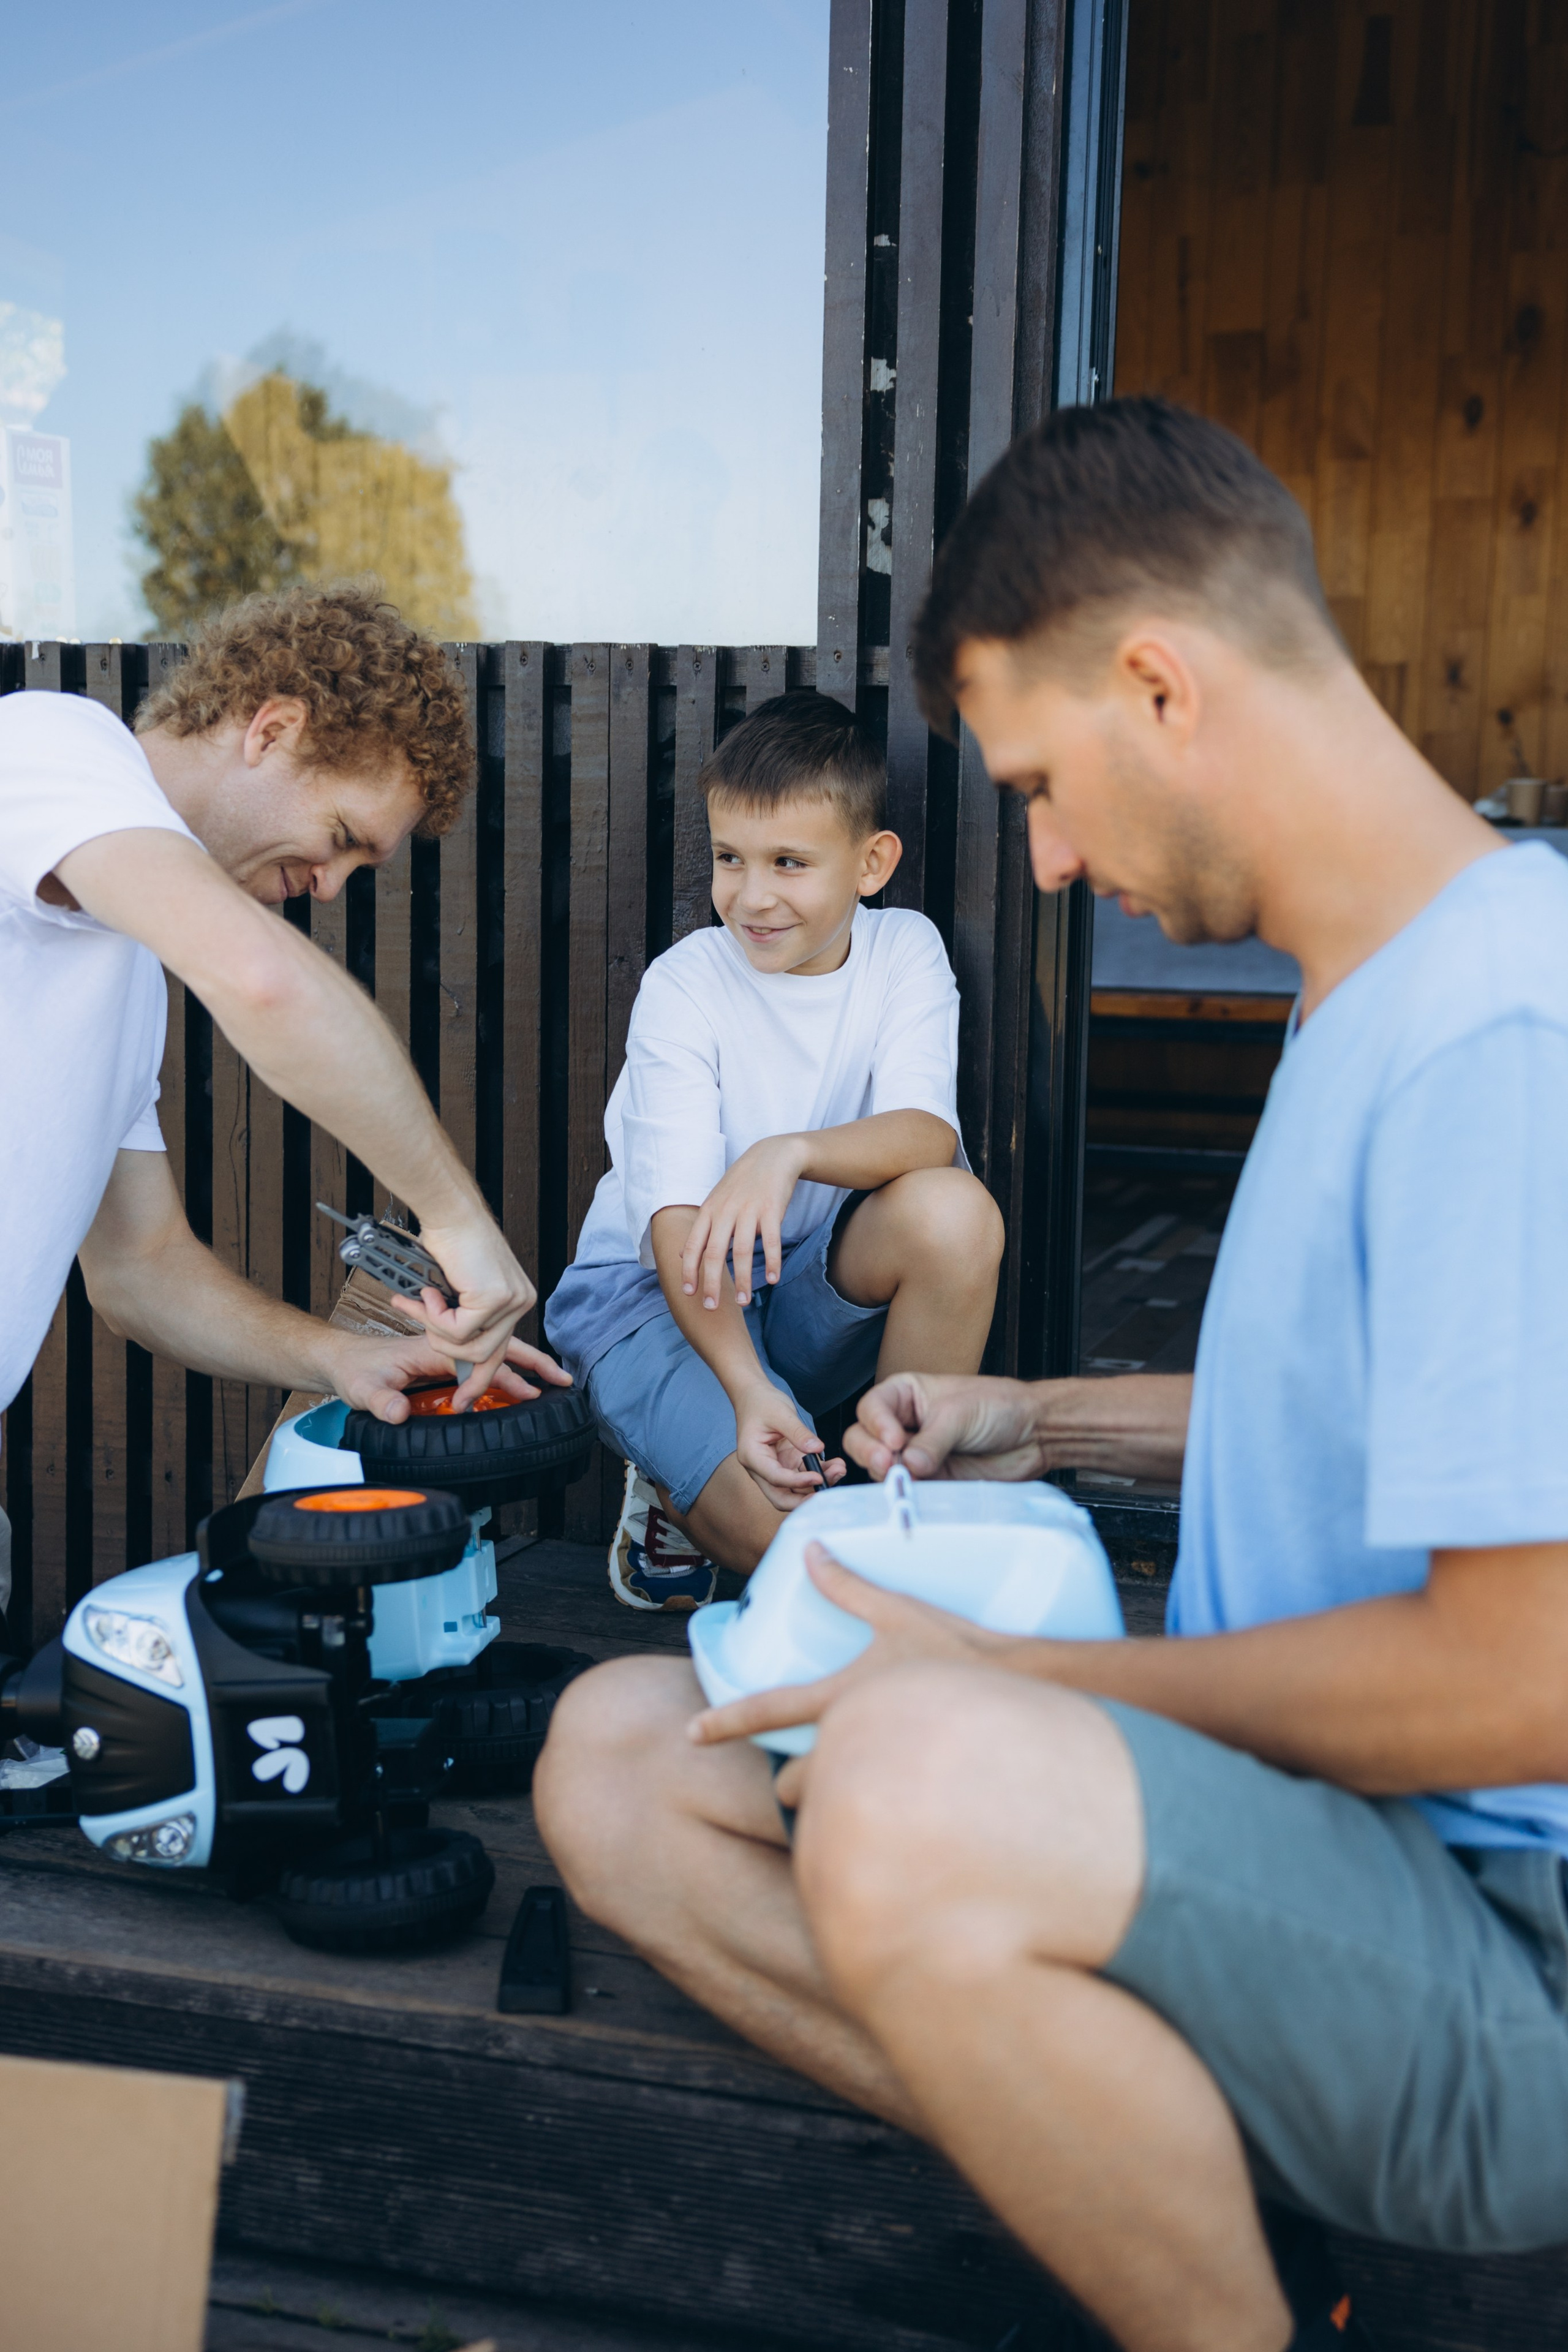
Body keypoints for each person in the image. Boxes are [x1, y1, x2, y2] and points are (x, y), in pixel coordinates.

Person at [535, 401, 1568, 2352]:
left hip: (1499, 1961)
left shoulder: (1496, 1028)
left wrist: (1023, 1691)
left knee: (922, 1764)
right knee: (609, 1766)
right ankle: (1154, 2147)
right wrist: (1040, 1419)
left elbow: (1531, 1671)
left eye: (1039, 781)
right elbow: (1369, 1427)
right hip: (1310, 1845)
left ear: (1162, 687)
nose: (1049, 852)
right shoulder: (1377, 998)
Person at [2, 582, 567, 1619]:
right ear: (272, 728)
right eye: (342, 834)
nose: (333, 885)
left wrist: (346, 1359)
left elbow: (139, 1271)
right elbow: (265, 981)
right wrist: (460, 1223)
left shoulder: (125, 973)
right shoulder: (49, 745)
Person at [545, 690, 1003, 1610]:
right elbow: (679, 1229)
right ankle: (690, 1465)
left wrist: (783, 1152)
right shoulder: (686, 987)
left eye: (789, 863)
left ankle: (900, 1512)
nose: (751, 896)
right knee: (798, 1556)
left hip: (795, 1288)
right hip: (661, 1305)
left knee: (955, 1211)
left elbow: (927, 1133)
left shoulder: (904, 950)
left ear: (871, 865)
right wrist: (750, 1392)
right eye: (729, 860)